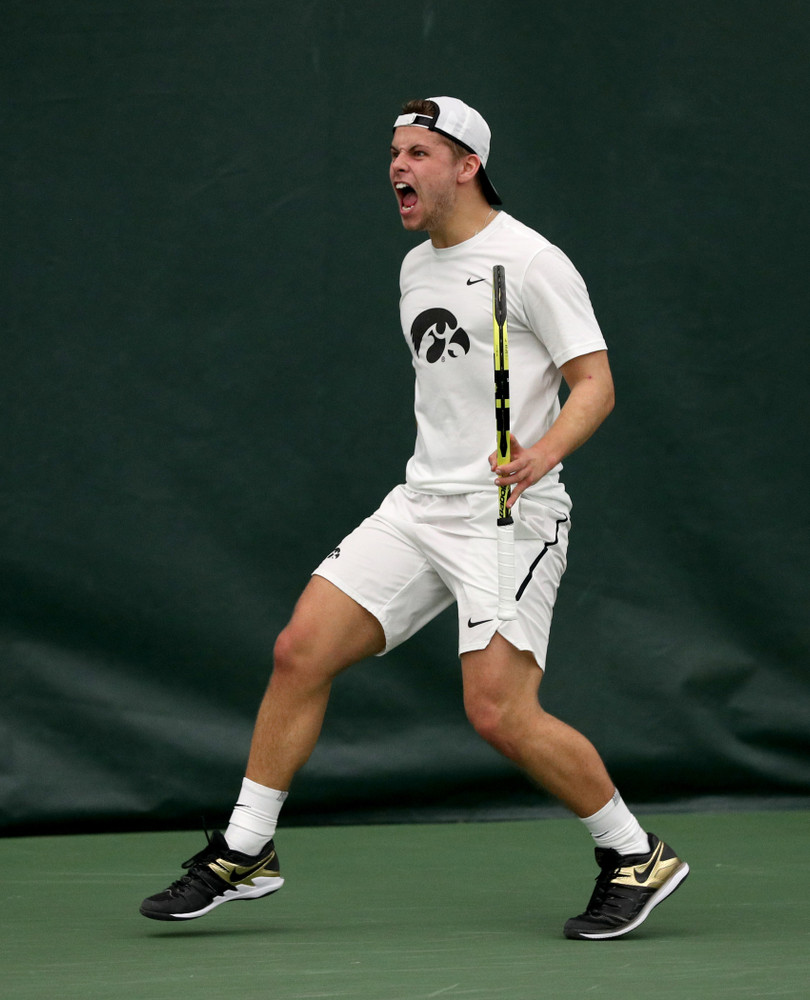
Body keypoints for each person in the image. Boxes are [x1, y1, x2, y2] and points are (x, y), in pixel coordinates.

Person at [140, 96, 689, 939]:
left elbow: (596, 384)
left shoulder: (533, 262)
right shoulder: (416, 267)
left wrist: (539, 455)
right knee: (300, 650)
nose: (398, 167)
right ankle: (246, 850)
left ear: (467, 166)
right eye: (394, 152)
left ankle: (632, 854)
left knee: (498, 712)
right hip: (420, 502)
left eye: (419, 153)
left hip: (510, 512)